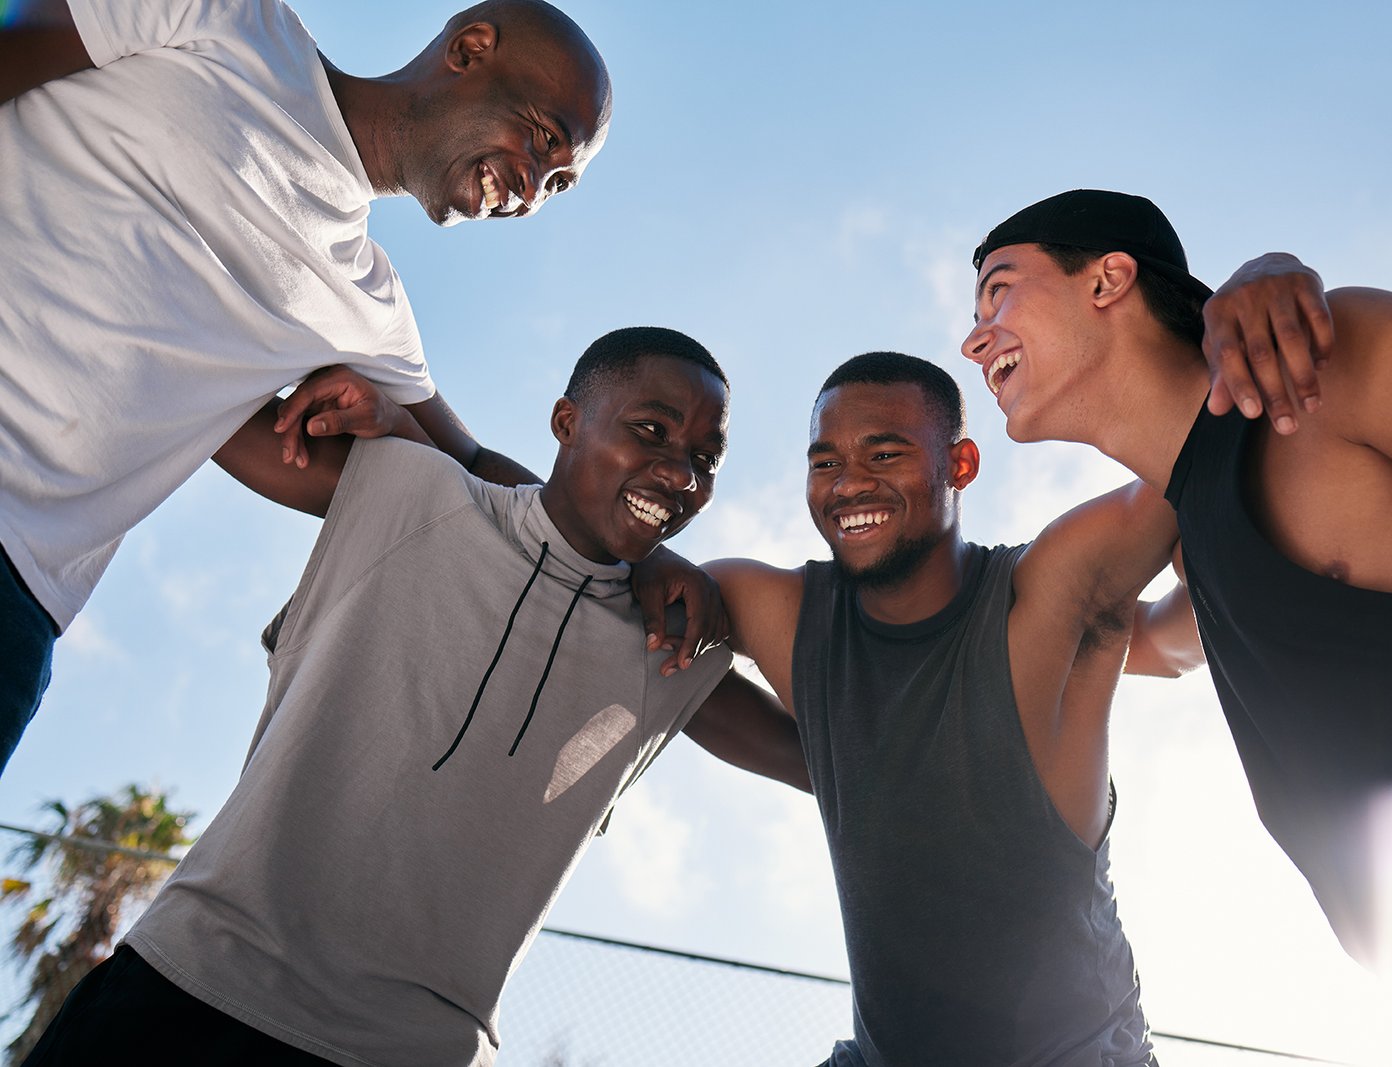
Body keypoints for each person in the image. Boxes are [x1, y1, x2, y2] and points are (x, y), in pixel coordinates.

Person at [20, 328, 809, 1066]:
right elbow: (195, 396)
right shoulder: (407, 486)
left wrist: (749, 603)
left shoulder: (670, 646)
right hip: (189, 988)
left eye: (705, 458)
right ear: (566, 422)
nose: (681, 473)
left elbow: (836, 757)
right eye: (652, 431)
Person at [962, 188, 1392, 1056]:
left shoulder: (1336, 370)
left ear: (1108, 279)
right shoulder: (1197, 545)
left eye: (999, 292)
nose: (975, 339)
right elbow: (1140, 642)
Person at [0, 0, 615, 772]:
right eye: (545, 139)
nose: (531, 192)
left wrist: (643, 570)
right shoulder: (225, 18)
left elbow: (480, 478)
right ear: (469, 49)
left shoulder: (368, 307)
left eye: (557, 185)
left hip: (18, 590)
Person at [697, 352, 1182, 1067]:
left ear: (960, 464)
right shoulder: (781, 611)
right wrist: (828, 766)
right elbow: (642, 632)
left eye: (883, 454)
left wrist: (1237, 309)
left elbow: (1191, 459)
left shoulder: (1040, 596)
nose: (848, 483)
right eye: (825, 462)